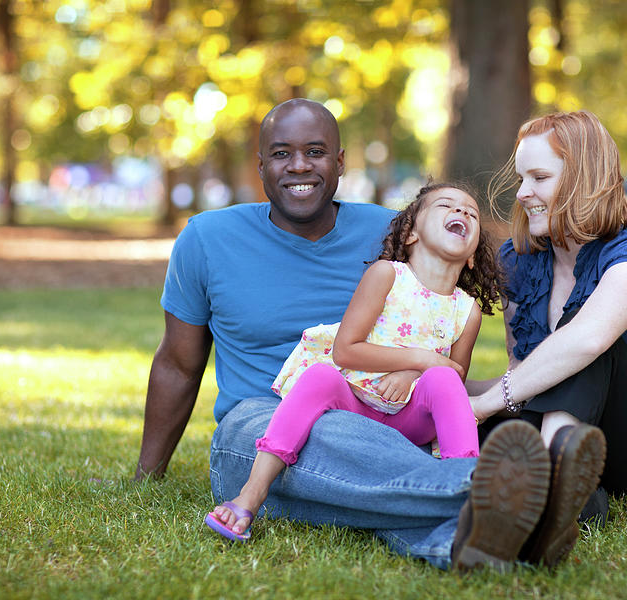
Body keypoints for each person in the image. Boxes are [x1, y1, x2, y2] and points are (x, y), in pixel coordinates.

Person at [135, 98, 564, 572]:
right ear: (260, 165)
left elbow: (440, 322)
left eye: (315, 151)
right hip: (263, 425)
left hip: (386, 417)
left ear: (340, 163)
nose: (299, 165)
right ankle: (497, 495)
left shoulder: (398, 229)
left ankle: (469, 536)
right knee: (335, 432)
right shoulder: (207, 238)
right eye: (281, 154)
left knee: (368, 464)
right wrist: (146, 477)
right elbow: (178, 364)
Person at [204, 181, 505, 541]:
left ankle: (465, 481)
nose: (461, 213)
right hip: (356, 406)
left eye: (471, 212)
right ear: (410, 234)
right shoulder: (387, 275)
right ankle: (252, 492)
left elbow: (453, 377)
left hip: (411, 419)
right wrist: (418, 359)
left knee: (442, 381)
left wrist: (414, 373)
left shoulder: (466, 310)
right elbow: (345, 350)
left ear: (472, 255)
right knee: (319, 377)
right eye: (446, 206)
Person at [468, 110, 627, 565]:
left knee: (583, 344)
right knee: (462, 412)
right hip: (568, 429)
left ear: (582, 177)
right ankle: (577, 499)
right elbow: (523, 373)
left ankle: (555, 483)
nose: (522, 193)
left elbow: (585, 343)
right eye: (521, 178)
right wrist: (453, 393)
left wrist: (485, 403)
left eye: (539, 177)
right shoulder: (517, 260)